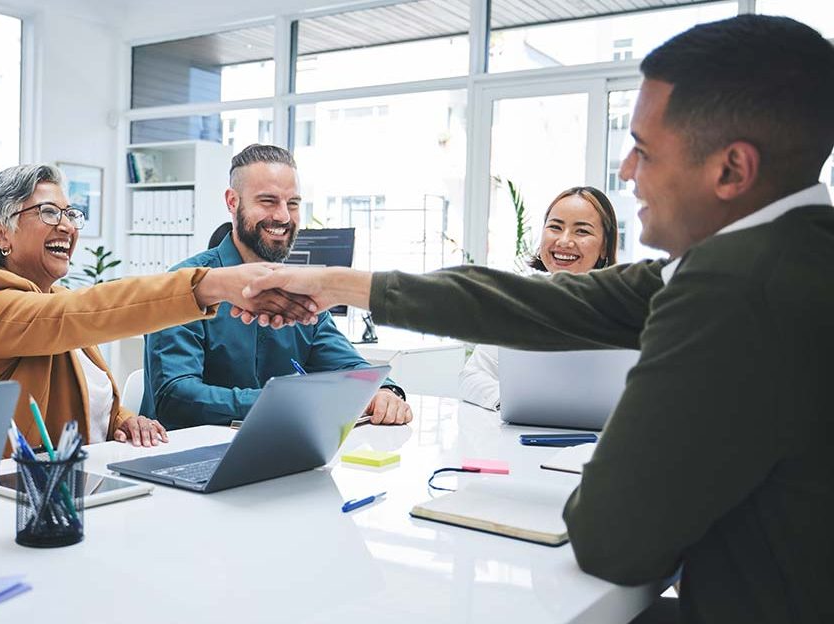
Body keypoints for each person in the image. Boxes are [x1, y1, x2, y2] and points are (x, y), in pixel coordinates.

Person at [239, 15, 834, 623]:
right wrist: (334, 283)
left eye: (645, 150)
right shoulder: (791, 255)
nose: (627, 171)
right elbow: (541, 304)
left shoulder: (736, 291)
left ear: (731, 170)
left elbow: (612, 539)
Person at [0, 164, 316, 451]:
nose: (67, 226)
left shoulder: (58, 299)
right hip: (25, 494)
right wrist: (212, 284)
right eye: (48, 213)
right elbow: (78, 313)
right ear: (1, 234)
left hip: (86, 477)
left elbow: (89, 400)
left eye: (69, 213)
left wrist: (124, 419)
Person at [141, 144, 411, 430]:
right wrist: (280, 402)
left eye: (292, 203)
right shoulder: (188, 286)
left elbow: (348, 366)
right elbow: (175, 397)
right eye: (268, 201)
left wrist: (384, 391)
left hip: (278, 451)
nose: (283, 216)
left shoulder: (301, 289)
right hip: (186, 457)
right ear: (232, 202)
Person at [459, 186, 618, 410]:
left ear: (604, 247)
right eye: (555, 227)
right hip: (520, 438)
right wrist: (514, 402)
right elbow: (472, 376)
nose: (564, 241)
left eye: (581, 231)